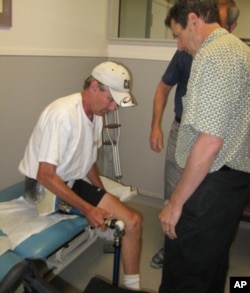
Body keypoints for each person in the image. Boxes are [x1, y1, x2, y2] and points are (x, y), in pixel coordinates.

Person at [19, 61, 142, 291]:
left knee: (133, 221)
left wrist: (102, 193)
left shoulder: (96, 114)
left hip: (68, 182)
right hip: (42, 189)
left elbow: (87, 162)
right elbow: (45, 175)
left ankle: (132, 289)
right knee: (121, 222)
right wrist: (89, 208)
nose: (113, 108)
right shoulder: (62, 115)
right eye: (111, 100)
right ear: (94, 86)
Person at [158, 0, 250, 292]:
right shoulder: (240, 50)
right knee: (212, 263)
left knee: (185, 270)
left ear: (194, 21)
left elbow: (210, 141)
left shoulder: (213, 55)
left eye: (178, 35)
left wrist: (175, 203)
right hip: (232, 182)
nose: (179, 46)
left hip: (213, 181)